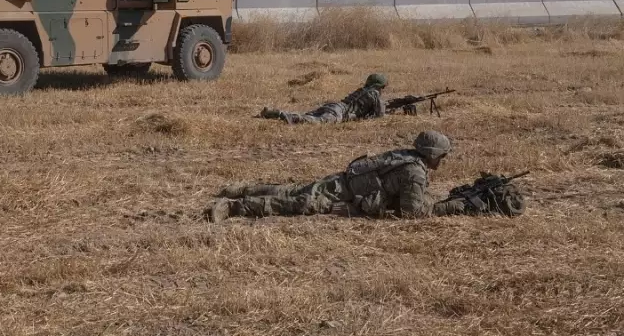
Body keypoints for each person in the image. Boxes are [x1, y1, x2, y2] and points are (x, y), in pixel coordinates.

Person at [205, 130, 526, 222]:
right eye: (442, 156)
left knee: (295, 189)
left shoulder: (408, 155)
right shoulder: (415, 172)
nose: (444, 160)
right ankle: (233, 207)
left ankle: (242, 188)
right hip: (347, 194)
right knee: (297, 203)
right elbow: (412, 212)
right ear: (431, 156)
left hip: (345, 179)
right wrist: (451, 207)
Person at [258, 73, 387, 125]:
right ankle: (282, 114)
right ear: (378, 86)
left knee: (306, 115)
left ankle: (272, 113)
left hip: (334, 105)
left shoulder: (363, 90)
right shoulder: (374, 94)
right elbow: (380, 115)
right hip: (340, 112)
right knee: (314, 122)